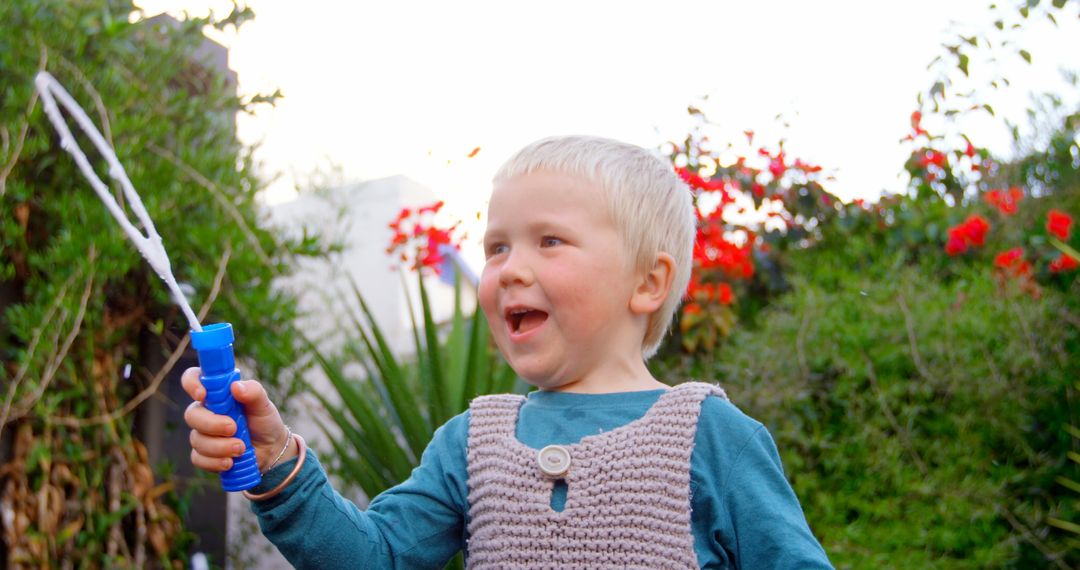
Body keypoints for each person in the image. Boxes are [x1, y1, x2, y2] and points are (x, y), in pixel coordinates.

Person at [183, 135, 833, 569]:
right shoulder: (474, 442)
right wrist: (277, 464)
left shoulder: (711, 437)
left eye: (549, 241)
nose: (510, 268)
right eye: (497, 247)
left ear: (648, 282)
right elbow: (374, 556)